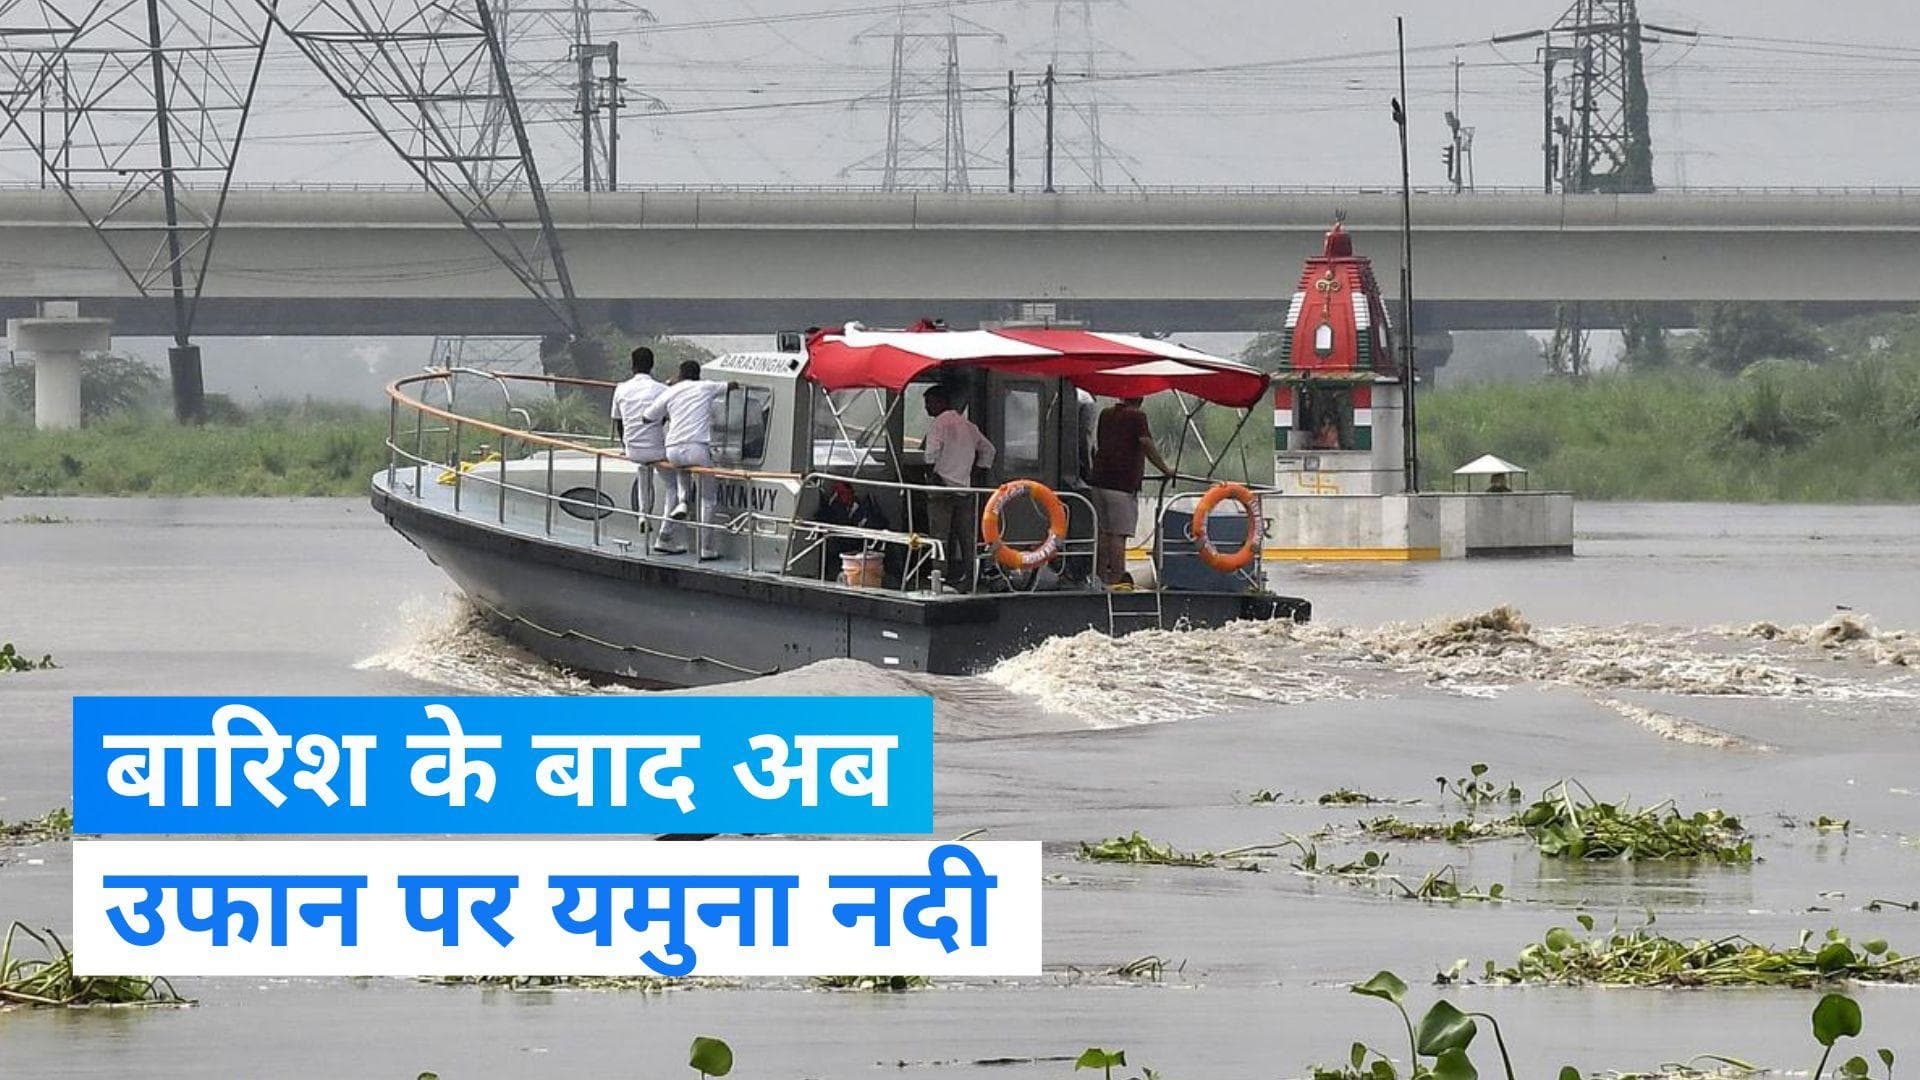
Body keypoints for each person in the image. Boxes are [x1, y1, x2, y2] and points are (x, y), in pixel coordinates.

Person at [642, 359, 734, 559]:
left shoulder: (671, 391)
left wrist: (671, 385)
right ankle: (706, 548)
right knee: (708, 497)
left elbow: (647, 417)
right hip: (697, 448)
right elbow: (731, 385)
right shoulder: (706, 386)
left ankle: (682, 502)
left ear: (680, 374)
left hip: (673, 449)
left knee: (682, 471)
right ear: (698, 374)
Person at [1087, 396, 1172, 587]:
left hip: (1099, 481)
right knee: (1118, 534)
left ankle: (1099, 578)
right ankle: (1117, 580)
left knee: (1103, 533)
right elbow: (1146, 443)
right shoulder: (1137, 417)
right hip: (1121, 485)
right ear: (1140, 399)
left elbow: (1100, 442)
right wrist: (1165, 469)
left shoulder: (1105, 414)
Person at [920, 384, 995, 587]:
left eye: (929, 403)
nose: (926, 408)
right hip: (964, 488)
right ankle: (972, 576)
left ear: (940, 402)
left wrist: (931, 475)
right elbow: (989, 450)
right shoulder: (968, 426)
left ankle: (939, 578)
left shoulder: (938, 425)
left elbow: (931, 455)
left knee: (940, 535)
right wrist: (977, 471)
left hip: (941, 487)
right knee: (966, 536)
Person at [609, 346, 669, 534]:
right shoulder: (663, 390)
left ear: (632, 365)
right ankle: (667, 526)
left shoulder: (621, 388)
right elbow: (666, 419)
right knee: (672, 481)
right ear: (652, 365)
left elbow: (619, 422)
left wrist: (625, 444)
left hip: (632, 449)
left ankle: (643, 515)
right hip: (657, 450)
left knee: (643, 468)